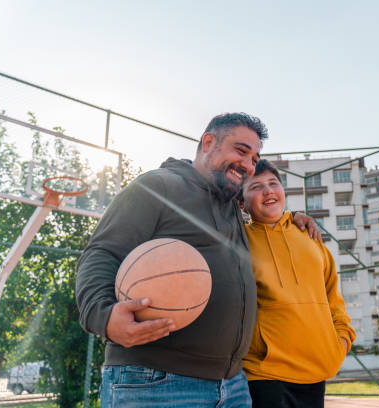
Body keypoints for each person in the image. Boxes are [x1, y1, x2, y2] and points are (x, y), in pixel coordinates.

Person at [75, 113, 319, 408]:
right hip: (155, 380)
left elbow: (264, 216)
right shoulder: (157, 186)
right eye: (241, 151)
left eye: (254, 159)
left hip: (233, 385)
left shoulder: (231, 207)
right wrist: (104, 317)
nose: (248, 164)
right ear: (208, 142)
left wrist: (292, 218)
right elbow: (102, 253)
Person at [239, 159, 356, 408]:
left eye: (273, 183)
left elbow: (332, 294)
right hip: (265, 374)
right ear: (241, 203)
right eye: (256, 186)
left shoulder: (309, 235)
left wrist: (343, 339)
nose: (268, 190)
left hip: (318, 370)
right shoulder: (238, 240)